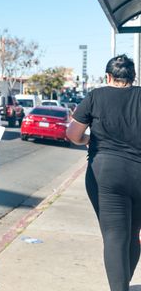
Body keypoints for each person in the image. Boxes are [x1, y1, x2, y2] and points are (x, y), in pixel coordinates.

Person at [66, 54, 141, 291]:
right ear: (133, 76)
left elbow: (73, 135)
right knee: (132, 234)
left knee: (114, 235)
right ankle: (122, 283)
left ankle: (119, 287)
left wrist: (89, 139)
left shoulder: (95, 96)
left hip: (106, 174)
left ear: (108, 76)